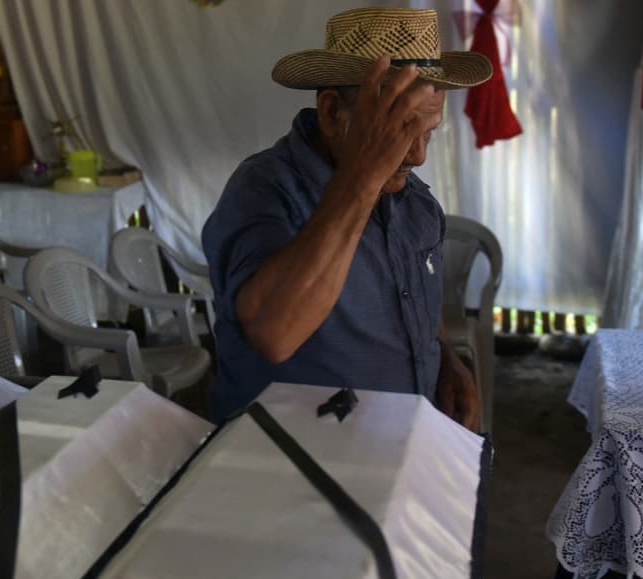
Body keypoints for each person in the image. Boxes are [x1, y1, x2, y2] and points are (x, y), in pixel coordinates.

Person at [203, 7, 493, 430]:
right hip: (289, 454)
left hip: (401, 440)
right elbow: (274, 334)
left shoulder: (415, 202)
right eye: (399, 131)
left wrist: (446, 360)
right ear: (332, 112)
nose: (418, 156)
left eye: (428, 133)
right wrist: (363, 178)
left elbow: (418, 307)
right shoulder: (263, 189)